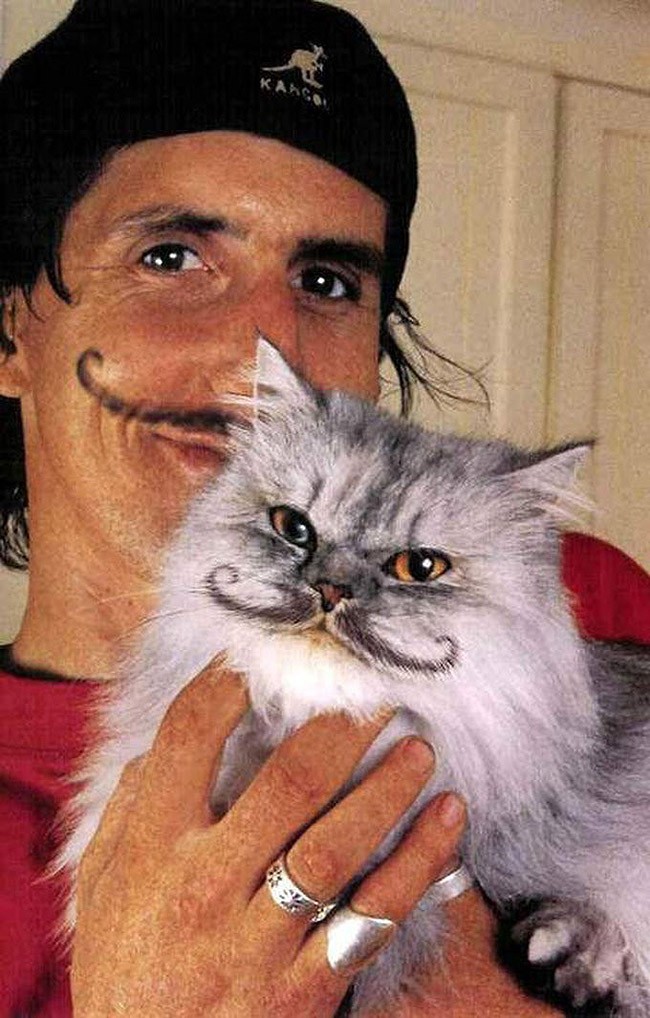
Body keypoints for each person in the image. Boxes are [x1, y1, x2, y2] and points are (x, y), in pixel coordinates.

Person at [0, 1, 649, 1015]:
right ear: (10, 333)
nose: (263, 343)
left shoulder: (588, 599)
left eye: (325, 279)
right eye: (170, 257)